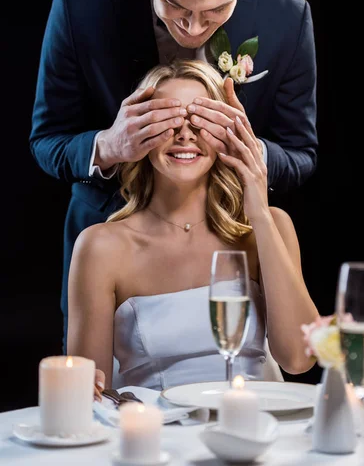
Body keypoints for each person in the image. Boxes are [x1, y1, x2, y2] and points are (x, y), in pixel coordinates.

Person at [29, 0, 318, 348]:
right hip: (112, 243)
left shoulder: (287, 18)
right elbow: (47, 139)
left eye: (215, 12)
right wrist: (107, 145)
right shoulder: (82, 3)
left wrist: (245, 149)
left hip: (229, 239)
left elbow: (301, 152)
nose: (193, 27)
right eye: (174, 5)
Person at [67, 59, 318, 394]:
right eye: (169, 121)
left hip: (257, 430)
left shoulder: (270, 226)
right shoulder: (101, 247)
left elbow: (299, 359)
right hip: (155, 439)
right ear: (139, 130)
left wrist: (258, 209)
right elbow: (89, 397)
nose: (185, 135)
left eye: (201, 121)